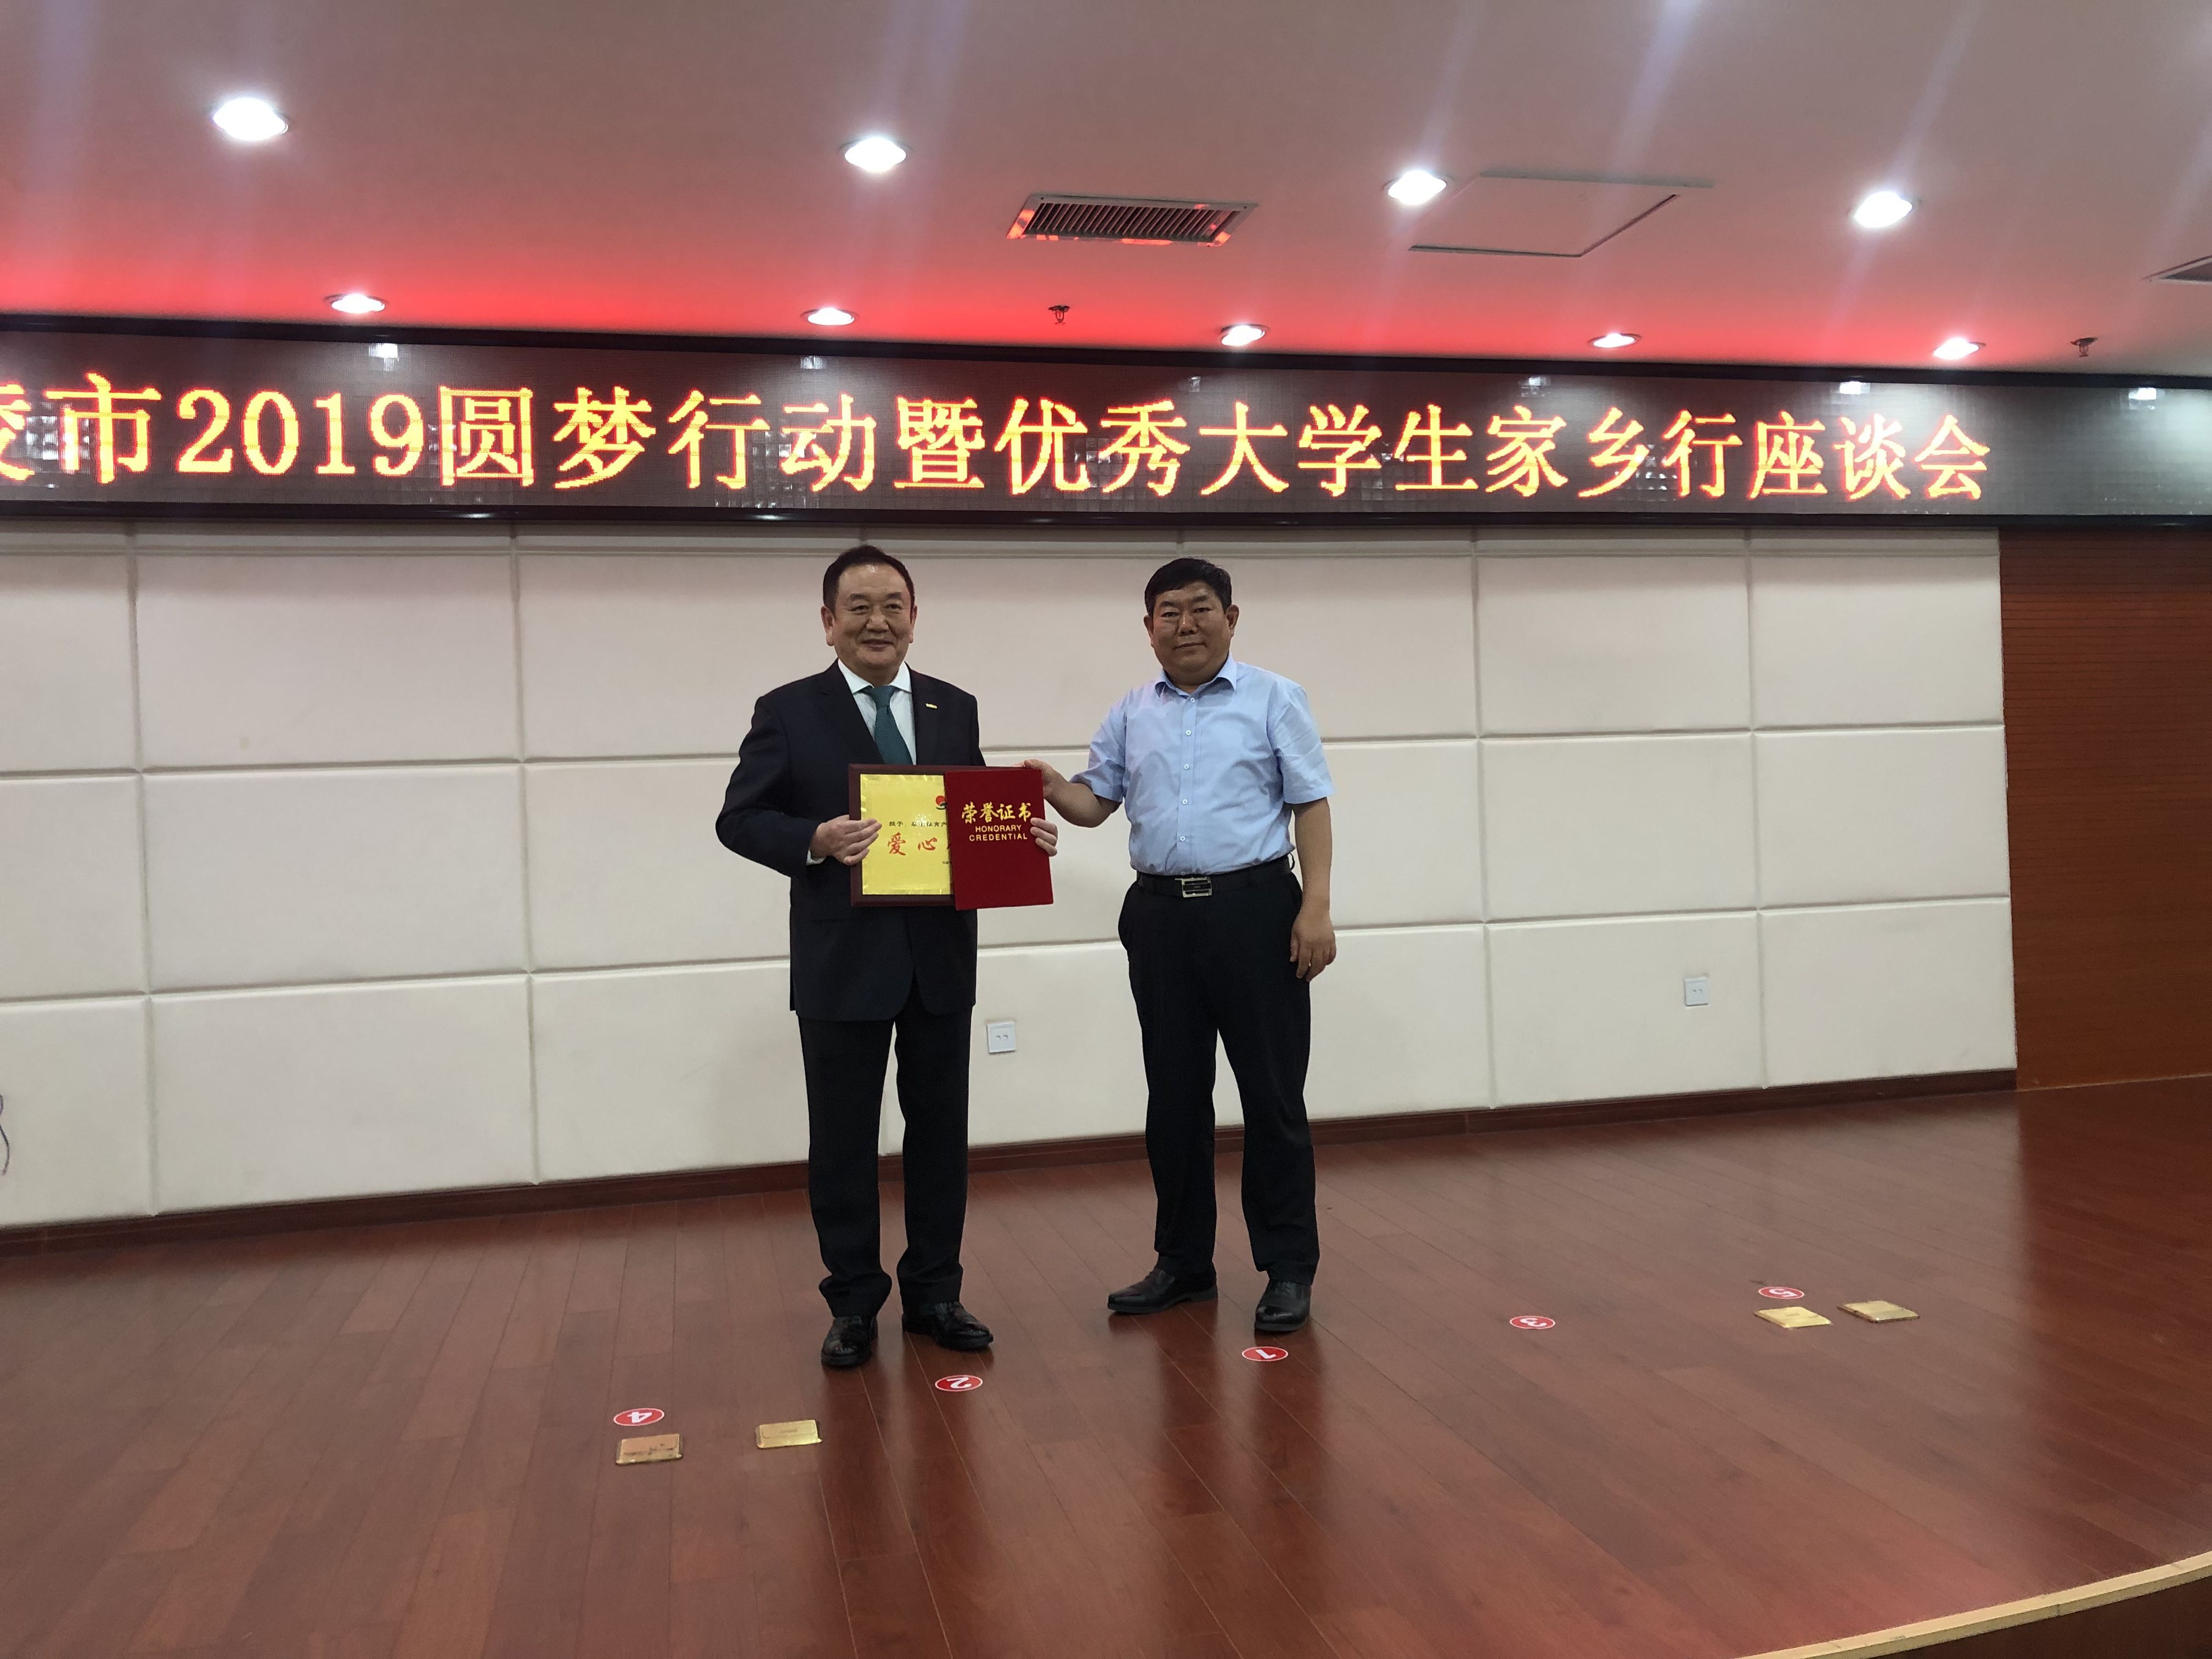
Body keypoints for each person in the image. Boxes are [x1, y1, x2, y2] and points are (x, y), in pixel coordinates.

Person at [716, 545, 1057, 1368]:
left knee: (941, 1134)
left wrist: (1023, 840)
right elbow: (740, 819)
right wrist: (814, 838)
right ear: (828, 621)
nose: (879, 622)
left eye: (893, 605)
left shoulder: (953, 707)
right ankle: (853, 1304)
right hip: (841, 960)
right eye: (859, 607)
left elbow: (975, 815)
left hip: (939, 958)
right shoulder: (787, 710)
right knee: (842, 1140)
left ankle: (937, 1293)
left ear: (914, 616)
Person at [1030, 556, 1335, 1335]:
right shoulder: (1131, 712)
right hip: (1161, 918)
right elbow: (1095, 803)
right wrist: (1048, 787)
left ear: (1231, 618)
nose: (1185, 624)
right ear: (1149, 628)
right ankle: (1184, 1263)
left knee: (1271, 1096)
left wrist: (1316, 908)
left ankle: (1288, 1268)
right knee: (1173, 1098)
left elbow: (1311, 803)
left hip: (1257, 910)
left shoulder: (1275, 697)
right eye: (1169, 612)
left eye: (1201, 608)